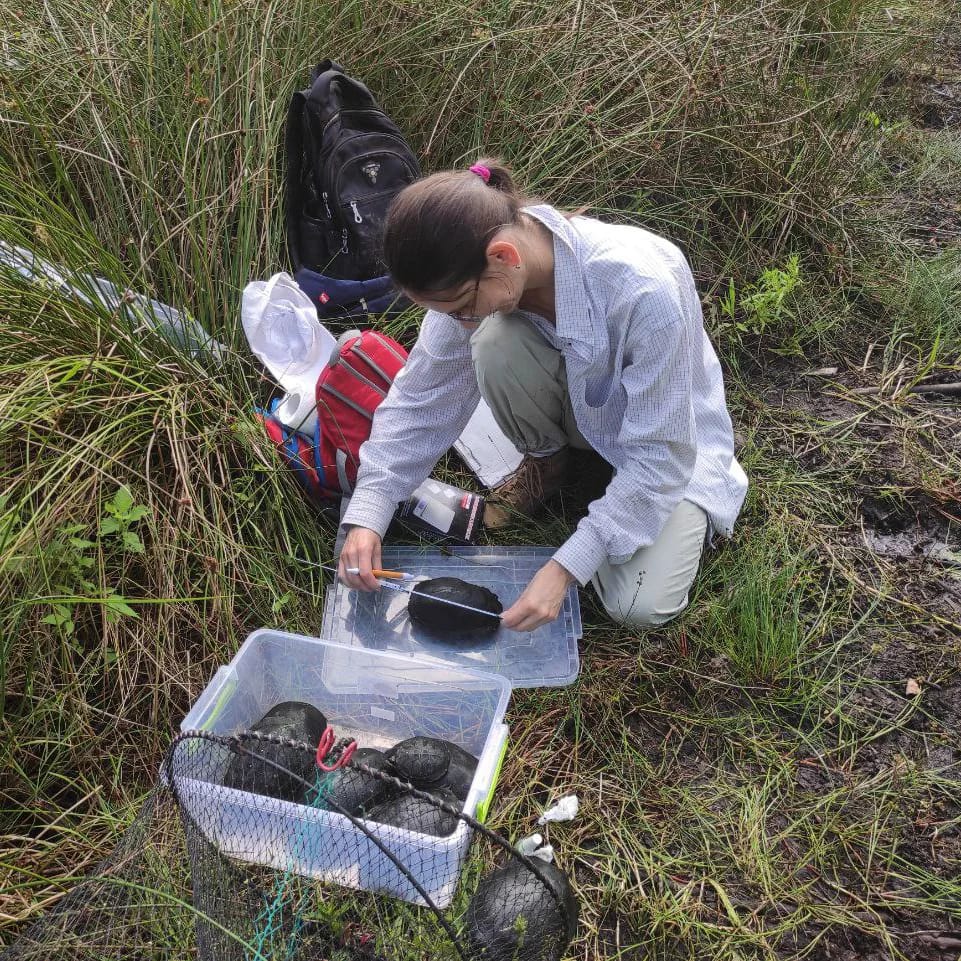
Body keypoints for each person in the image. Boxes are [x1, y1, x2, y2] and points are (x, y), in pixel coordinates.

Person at [337, 159, 748, 632]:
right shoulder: (473, 274)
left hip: (669, 446)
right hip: (591, 414)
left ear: (504, 257)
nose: (459, 323)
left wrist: (566, 566)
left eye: (463, 308)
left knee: (637, 604)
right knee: (492, 341)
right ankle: (551, 466)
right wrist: (370, 509)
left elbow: (662, 455)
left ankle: (678, 520)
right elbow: (421, 397)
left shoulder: (640, 291)